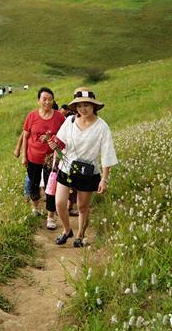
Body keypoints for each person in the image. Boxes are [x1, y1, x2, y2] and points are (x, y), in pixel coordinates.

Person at [46, 87, 117, 248]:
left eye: (86, 105)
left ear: (94, 106)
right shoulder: (70, 122)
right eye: (79, 106)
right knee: (59, 203)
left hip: (88, 171)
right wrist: (54, 144)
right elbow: (60, 142)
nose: (83, 109)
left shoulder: (102, 127)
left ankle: (80, 235)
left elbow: (107, 153)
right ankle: (67, 230)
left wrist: (104, 179)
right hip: (67, 167)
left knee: (82, 207)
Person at [13, 87, 66, 227]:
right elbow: (26, 136)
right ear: (38, 101)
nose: (47, 102)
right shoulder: (31, 116)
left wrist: (57, 144)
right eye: (44, 99)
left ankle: (50, 217)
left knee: (51, 186)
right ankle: (35, 208)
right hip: (33, 157)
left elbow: (66, 135)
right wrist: (24, 156)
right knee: (34, 184)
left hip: (51, 159)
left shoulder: (59, 117)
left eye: (50, 99)